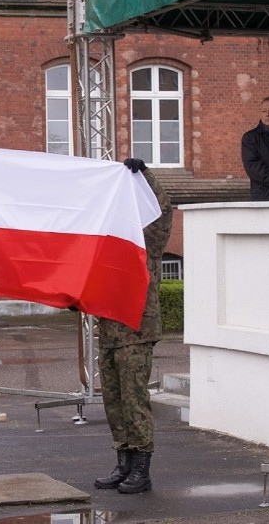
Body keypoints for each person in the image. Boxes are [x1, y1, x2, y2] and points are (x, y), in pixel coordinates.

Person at [94, 157, 173, 494]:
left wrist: (147, 176)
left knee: (134, 399)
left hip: (137, 331)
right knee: (113, 400)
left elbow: (164, 209)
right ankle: (123, 461)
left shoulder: (147, 238)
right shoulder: (107, 240)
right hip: (110, 330)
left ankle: (142, 468)